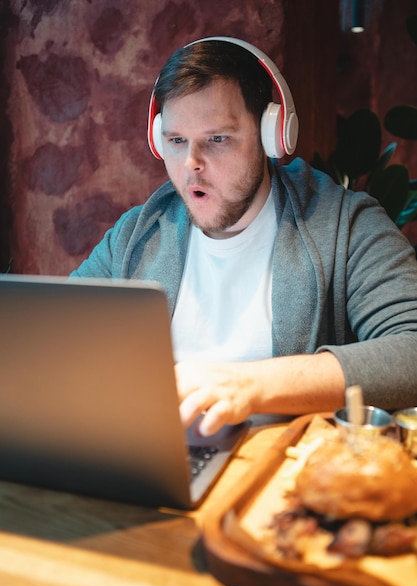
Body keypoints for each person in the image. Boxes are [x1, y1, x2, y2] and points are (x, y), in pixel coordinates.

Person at [71, 37, 417, 436]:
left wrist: (252, 385)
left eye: (217, 139)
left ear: (272, 135)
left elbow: (410, 351)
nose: (191, 165)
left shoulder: (347, 225)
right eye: (176, 140)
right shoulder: (137, 235)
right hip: (153, 459)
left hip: (280, 475)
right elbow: (61, 337)